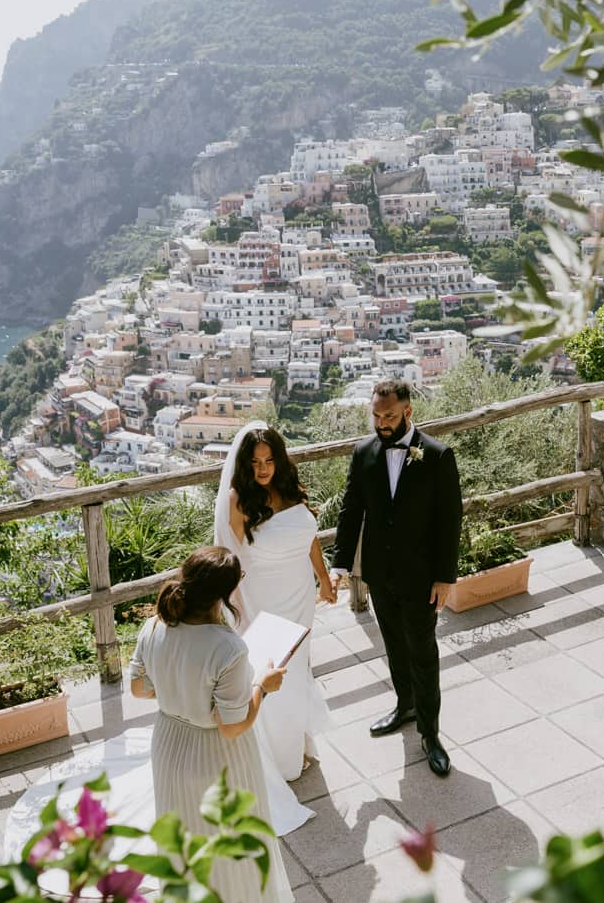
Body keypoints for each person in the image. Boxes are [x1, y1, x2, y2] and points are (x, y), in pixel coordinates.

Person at [127, 547, 294, 902]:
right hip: (216, 756)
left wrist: (178, 690)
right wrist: (262, 686)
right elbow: (232, 726)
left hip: (169, 745)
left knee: (183, 841)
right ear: (226, 592)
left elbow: (139, 688)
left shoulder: (153, 626)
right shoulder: (229, 648)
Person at [330, 380, 463, 777]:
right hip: (379, 574)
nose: (381, 423)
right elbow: (351, 511)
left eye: (388, 416)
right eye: (376, 415)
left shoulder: (437, 455)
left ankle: (431, 732)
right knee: (393, 645)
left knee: (423, 653)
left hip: (422, 577)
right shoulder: (363, 452)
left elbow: (449, 521)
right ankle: (404, 706)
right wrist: (339, 566)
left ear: (407, 412)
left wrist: (445, 577)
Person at [214, 421, 335, 782]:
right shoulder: (238, 499)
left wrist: (324, 578)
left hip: (300, 595)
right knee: (272, 675)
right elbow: (229, 560)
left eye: (269, 460)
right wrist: (239, 613)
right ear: (245, 464)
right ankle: (276, 759)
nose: (263, 469)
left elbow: (309, 537)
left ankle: (298, 742)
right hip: (264, 601)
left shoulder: (290, 487)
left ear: (279, 460)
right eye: (255, 462)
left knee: (299, 671)